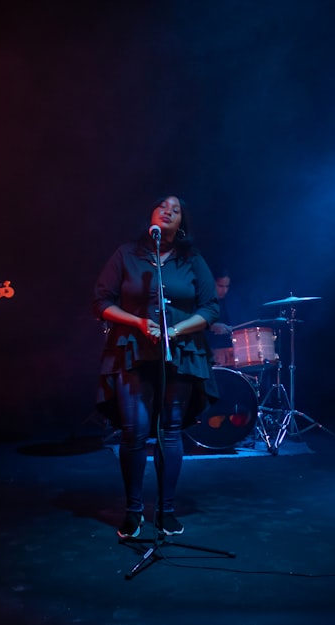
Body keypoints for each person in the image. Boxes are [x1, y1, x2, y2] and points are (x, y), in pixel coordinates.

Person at [92, 195, 220, 538]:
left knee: (170, 432)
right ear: (151, 214)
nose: (168, 211)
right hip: (132, 350)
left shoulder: (191, 260)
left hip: (179, 352)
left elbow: (210, 308)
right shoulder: (126, 255)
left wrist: (175, 330)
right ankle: (133, 511)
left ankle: (166, 510)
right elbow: (101, 301)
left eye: (176, 210)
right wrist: (136, 322)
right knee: (135, 430)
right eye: (163, 206)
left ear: (180, 225)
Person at [207, 268, 237, 367]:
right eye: (220, 286)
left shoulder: (228, 302)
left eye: (227, 286)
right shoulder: (203, 300)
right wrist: (211, 326)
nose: (224, 290)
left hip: (224, 352)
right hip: (206, 351)